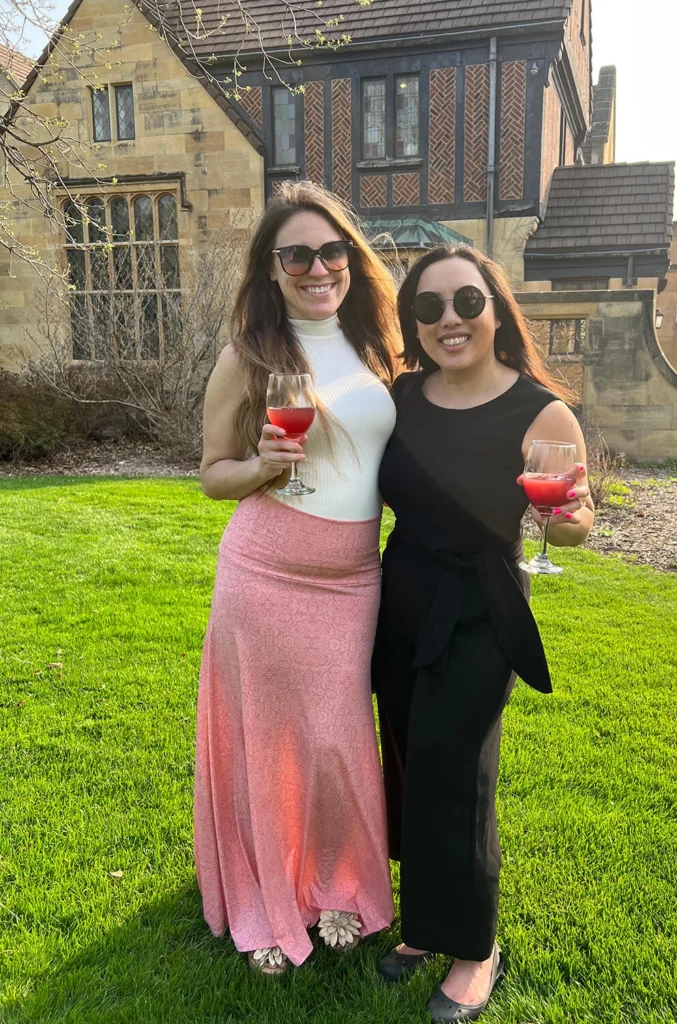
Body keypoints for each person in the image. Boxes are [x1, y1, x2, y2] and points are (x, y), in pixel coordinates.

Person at [372, 246, 594, 1022]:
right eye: (427, 309)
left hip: (479, 607)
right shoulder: (398, 397)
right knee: (406, 756)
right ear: (414, 325)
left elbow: (575, 521)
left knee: (457, 770)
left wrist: (565, 520)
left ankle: (475, 948)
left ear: (496, 309)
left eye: (466, 302)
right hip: (398, 600)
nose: (449, 321)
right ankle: (424, 924)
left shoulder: (540, 409)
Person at [194, 181, 400, 974]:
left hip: (353, 576)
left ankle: (339, 885)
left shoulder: (378, 346)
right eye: (296, 255)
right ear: (271, 270)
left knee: (338, 740)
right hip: (266, 569)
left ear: (350, 258)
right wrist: (259, 465)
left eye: (330, 251)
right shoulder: (248, 357)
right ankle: (267, 899)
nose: (317, 267)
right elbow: (212, 475)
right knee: (269, 743)